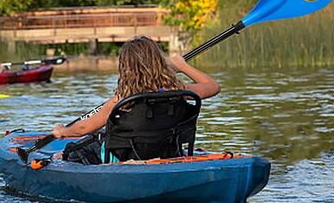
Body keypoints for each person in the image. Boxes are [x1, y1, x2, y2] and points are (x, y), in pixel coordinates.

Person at [52, 36, 220, 161]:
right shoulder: (178, 90)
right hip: (165, 152)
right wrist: (182, 66)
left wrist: (63, 131)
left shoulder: (123, 99)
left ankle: (61, 157)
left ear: (125, 67)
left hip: (126, 157)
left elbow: (83, 129)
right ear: (159, 62)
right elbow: (213, 86)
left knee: (80, 146)